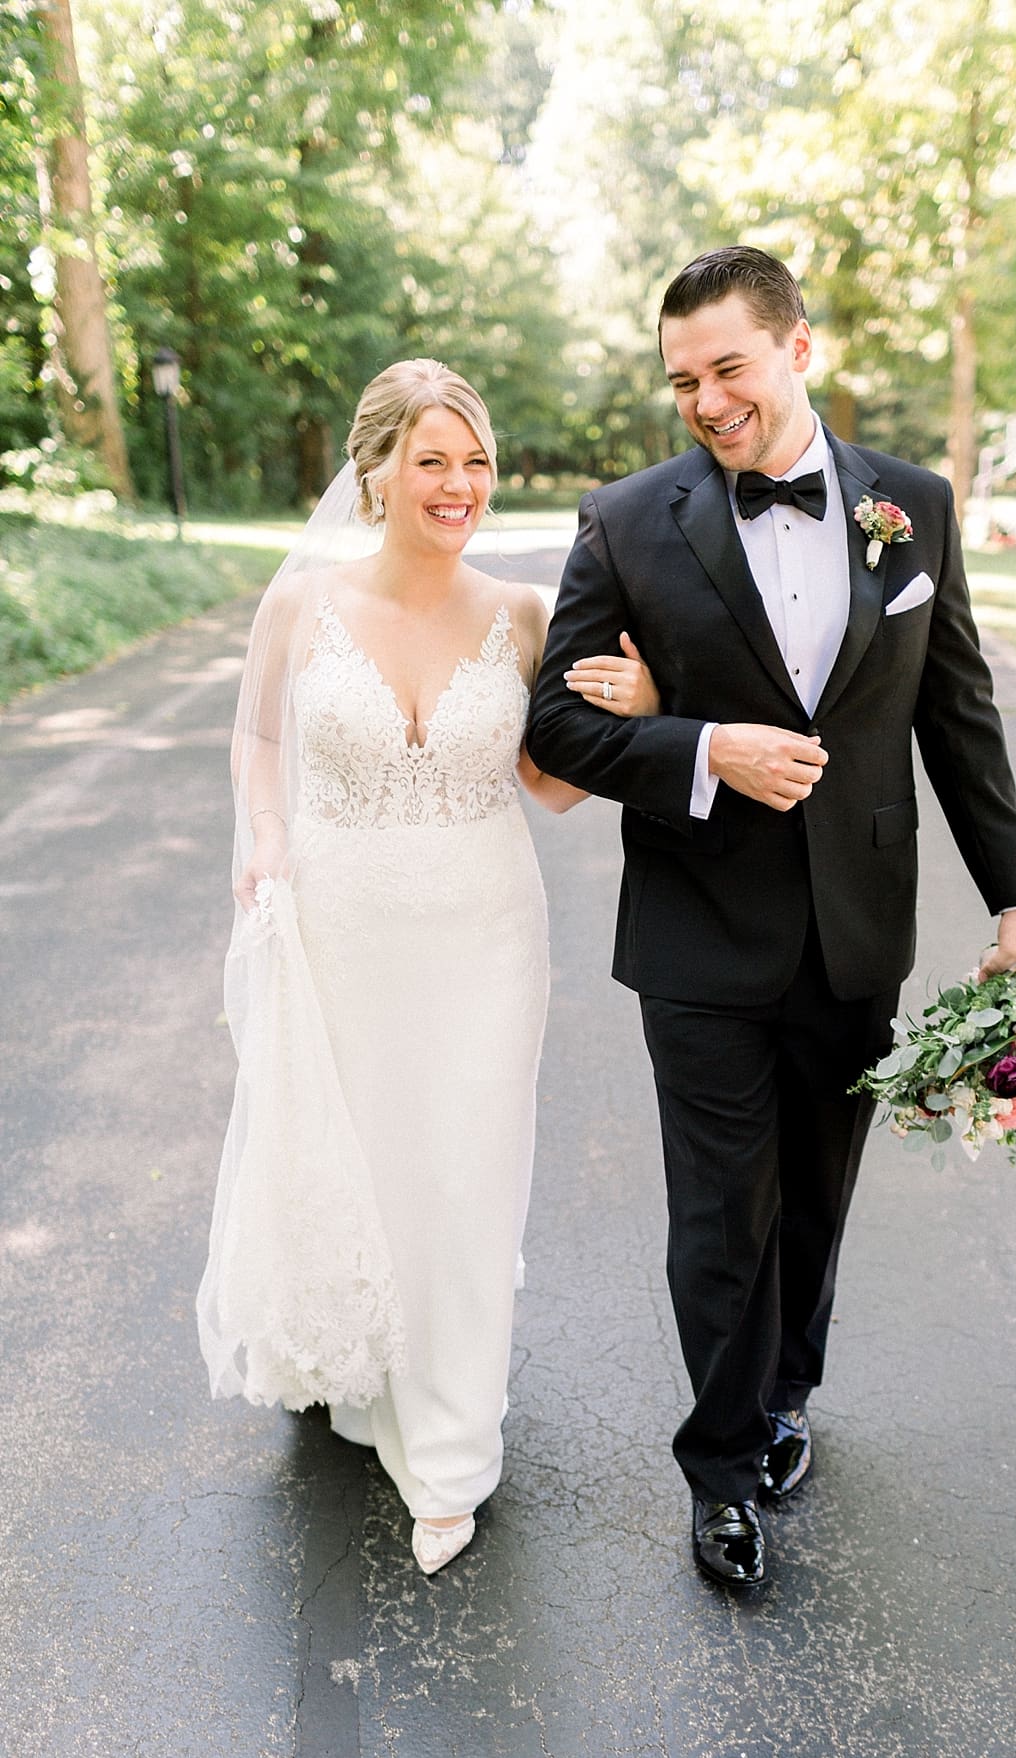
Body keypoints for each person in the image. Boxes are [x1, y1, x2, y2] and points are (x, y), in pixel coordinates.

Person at [527, 247, 1016, 1589]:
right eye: (682, 380)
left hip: (856, 930)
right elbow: (555, 725)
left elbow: (961, 720)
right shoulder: (628, 521)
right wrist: (702, 749)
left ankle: (783, 1405)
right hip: (697, 933)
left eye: (728, 368)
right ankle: (717, 1473)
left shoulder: (916, 510)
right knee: (720, 1212)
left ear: (797, 351)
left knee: (818, 1197)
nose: (705, 400)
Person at [198, 359, 659, 1575]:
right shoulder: (302, 605)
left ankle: (451, 1451)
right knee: (366, 1156)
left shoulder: (520, 614)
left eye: (476, 462)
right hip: (344, 921)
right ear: (378, 470)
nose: (460, 486)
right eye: (433, 461)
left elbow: (554, 787)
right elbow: (255, 734)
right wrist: (267, 833)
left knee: (463, 1172)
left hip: (483, 930)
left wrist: (643, 705)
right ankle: (364, 1368)